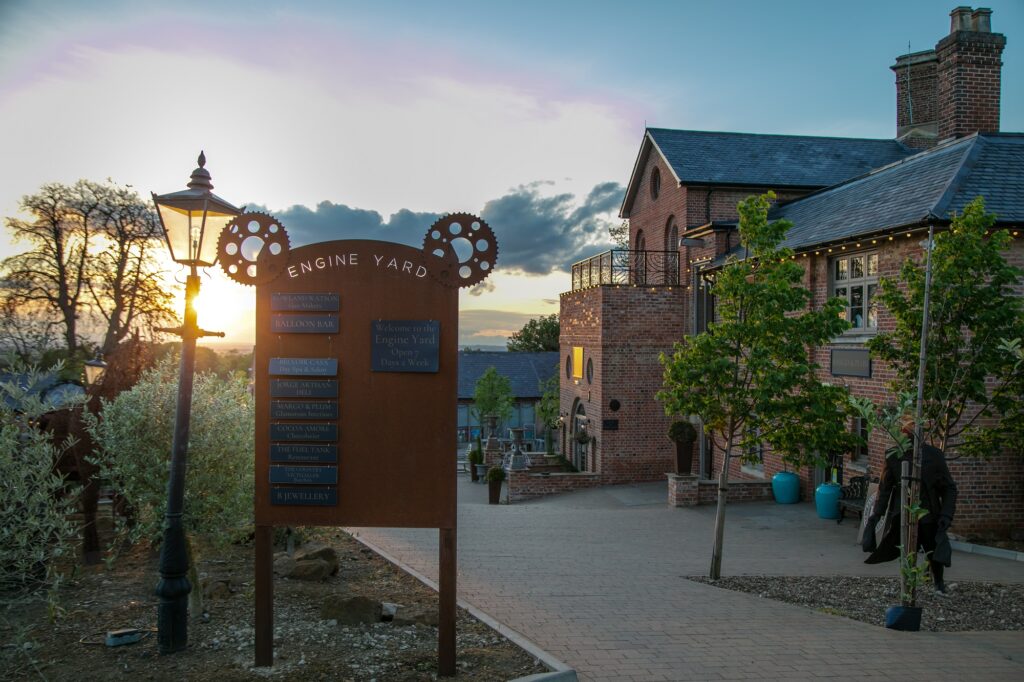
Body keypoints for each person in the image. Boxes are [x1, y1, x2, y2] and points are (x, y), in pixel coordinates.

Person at [864, 414, 957, 593]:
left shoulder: (934, 456)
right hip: (904, 514)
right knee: (906, 550)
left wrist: (946, 514)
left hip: (928, 513)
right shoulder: (893, 456)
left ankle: (938, 583)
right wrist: (876, 515)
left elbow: (949, 488)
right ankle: (908, 585)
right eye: (908, 430)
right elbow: (885, 489)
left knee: (933, 549)